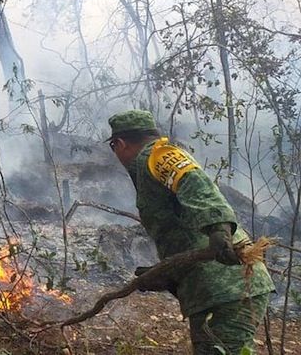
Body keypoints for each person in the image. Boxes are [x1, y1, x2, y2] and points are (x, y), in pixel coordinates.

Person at [106, 110, 274, 354]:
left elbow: (195, 184)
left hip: (228, 287)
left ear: (119, 144)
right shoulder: (150, 165)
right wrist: (167, 275)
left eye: (114, 147)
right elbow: (186, 236)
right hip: (214, 289)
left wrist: (219, 229)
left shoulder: (158, 155)